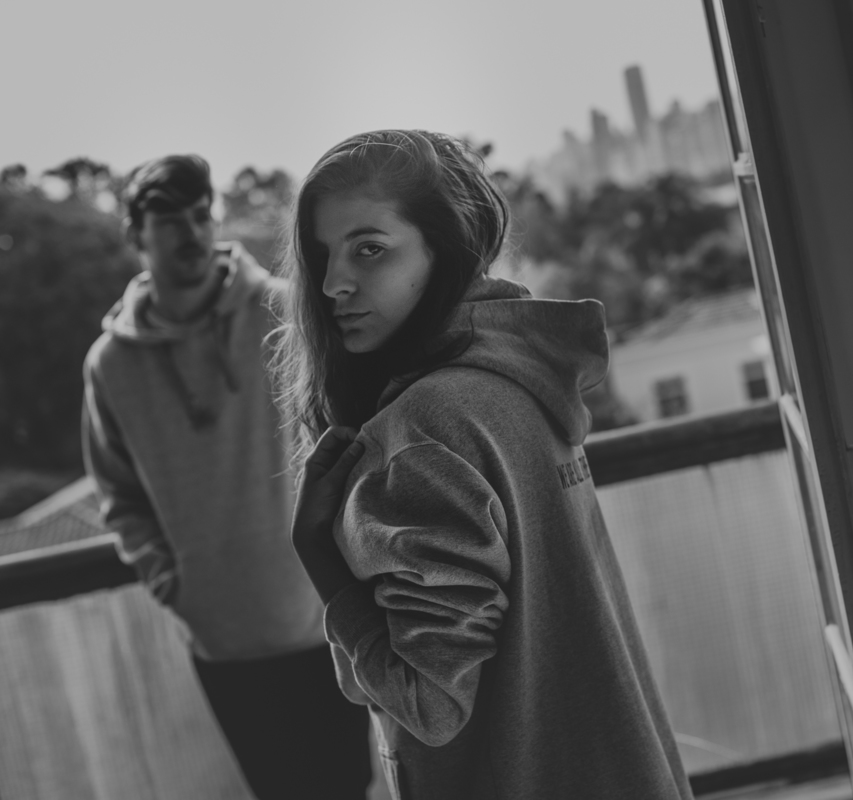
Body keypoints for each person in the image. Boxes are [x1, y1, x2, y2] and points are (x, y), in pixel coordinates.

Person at [275, 129, 693, 800]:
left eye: (370, 249)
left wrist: (320, 558)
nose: (331, 284)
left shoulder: (421, 433)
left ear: (447, 248)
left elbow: (430, 706)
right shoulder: (521, 381)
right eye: (323, 256)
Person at [82, 155, 371, 800]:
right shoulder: (110, 366)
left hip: (324, 611)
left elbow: (354, 429)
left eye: (198, 212)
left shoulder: (287, 310)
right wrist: (177, 584)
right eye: (167, 219)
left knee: (354, 790)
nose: (189, 230)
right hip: (224, 642)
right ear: (136, 234)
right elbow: (119, 496)